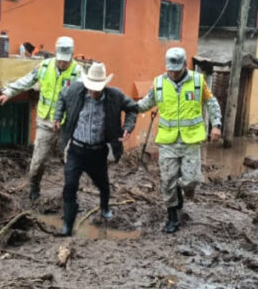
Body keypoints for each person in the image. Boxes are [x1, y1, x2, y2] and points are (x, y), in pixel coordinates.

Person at [137, 47, 222, 233]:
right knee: (168, 180)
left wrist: (216, 124)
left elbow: (211, 102)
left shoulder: (198, 82)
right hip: (168, 142)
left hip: (191, 141)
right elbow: (145, 103)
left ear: (184, 65)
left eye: (177, 69)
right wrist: (126, 105)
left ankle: (183, 193)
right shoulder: (158, 83)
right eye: (170, 69)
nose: (173, 73)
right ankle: (172, 217)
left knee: (191, 180)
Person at [52, 62, 138, 236]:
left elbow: (133, 109)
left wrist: (128, 127)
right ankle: (68, 226)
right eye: (91, 88)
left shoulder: (115, 96)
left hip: (98, 151)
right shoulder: (76, 90)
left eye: (97, 89)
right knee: (70, 185)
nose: (94, 92)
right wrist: (57, 116)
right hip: (76, 149)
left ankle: (105, 207)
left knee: (103, 184)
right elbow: (61, 97)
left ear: (104, 85)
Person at [0, 36, 83, 202]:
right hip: (45, 121)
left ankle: (70, 195)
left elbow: (86, 96)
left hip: (67, 125)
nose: (63, 63)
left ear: (72, 56)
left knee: (71, 163)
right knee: (38, 162)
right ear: (56, 55)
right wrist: (8, 92)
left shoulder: (77, 73)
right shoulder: (44, 66)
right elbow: (27, 80)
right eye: (60, 60)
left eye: (66, 60)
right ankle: (34, 188)